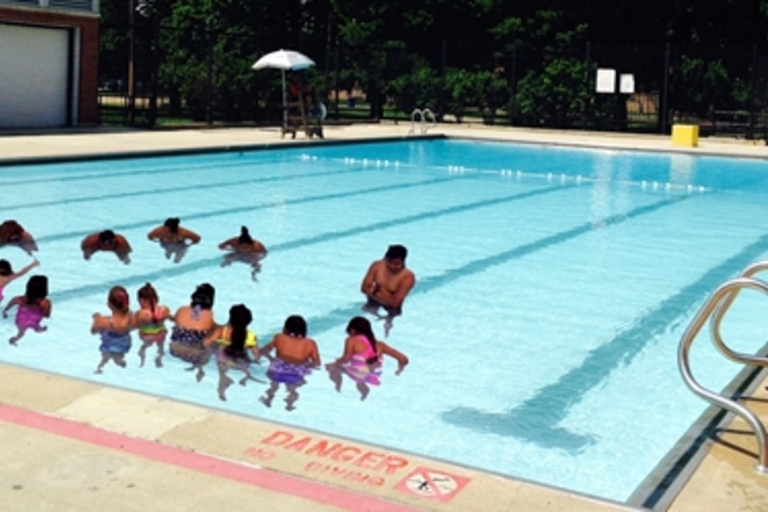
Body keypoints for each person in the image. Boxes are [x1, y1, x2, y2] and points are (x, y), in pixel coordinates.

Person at [325, 316, 408, 401]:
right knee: (360, 381)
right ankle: (364, 392)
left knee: (330, 368)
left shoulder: (351, 340)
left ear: (352, 330)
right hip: (374, 373)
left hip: (359, 372)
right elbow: (403, 359)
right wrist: (400, 369)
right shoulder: (380, 345)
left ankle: (338, 385)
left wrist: (335, 363)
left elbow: (346, 358)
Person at [258, 315, 321, 411]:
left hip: (276, 371)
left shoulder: (279, 337)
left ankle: (268, 399)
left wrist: (271, 359)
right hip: (295, 374)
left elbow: (264, 350)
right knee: (293, 390)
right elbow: (317, 363)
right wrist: (305, 364)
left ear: (286, 328)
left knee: (273, 386)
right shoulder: (310, 343)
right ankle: (290, 404)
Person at [202, 304, 260, 401]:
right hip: (242, 364)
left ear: (230, 319)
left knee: (221, 350)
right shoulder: (251, 336)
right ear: (248, 322)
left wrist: (208, 337)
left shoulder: (222, 331)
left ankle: (222, 384)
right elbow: (257, 356)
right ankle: (245, 375)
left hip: (224, 362)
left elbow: (206, 343)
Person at [360, 244, 416, 336]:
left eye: (397, 264)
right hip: (373, 301)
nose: (392, 266)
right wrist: (385, 298)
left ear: (403, 262)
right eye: (389, 262)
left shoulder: (407, 277)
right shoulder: (377, 266)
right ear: (385, 259)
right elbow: (363, 288)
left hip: (391, 309)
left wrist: (375, 293)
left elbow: (395, 303)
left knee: (387, 329)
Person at [169, 283, 217, 381]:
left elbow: (175, 319)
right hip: (196, 356)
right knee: (215, 341)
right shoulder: (208, 315)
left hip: (174, 350)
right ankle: (199, 367)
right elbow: (214, 330)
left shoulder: (181, 310)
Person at [92, 285, 133, 373]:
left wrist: (96, 318)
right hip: (124, 346)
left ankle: (100, 368)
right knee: (118, 353)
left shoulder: (103, 321)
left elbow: (93, 331)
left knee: (105, 357)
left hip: (109, 346)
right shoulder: (130, 317)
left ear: (109, 305)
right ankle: (119, 360)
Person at [3, 274, 50, 345]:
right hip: (35, 320)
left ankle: (14, 339)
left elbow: (11, 303)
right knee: (37, 327)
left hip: (22, 320)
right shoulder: (45, 302)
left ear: (28, 287)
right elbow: (46, 314)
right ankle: (39, 329)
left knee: (21, 333)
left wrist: (5, 310)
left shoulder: (20, 299)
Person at [133, 283, 171, 368]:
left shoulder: (140, 313)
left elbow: (134, 325)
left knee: (147, 344)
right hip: (161, 335)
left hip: (147, 336)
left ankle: (142, 352)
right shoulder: (164, 309)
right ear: (157, 299)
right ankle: (159, 359)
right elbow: (169, 318)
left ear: (142, 300)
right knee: (160, 347)